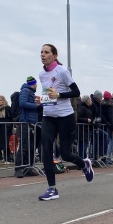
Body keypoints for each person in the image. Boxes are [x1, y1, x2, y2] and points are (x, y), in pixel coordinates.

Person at [35, 43, 94, 200]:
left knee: (66, 154)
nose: (42, 54)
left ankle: (84, 164)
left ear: (54, 56)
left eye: (46, 52)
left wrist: (59, 95)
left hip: (65, 117)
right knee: (46, 151)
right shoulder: (41, 74)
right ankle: (52, 189)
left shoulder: (62, 71)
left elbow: (76, 92)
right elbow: (48, 94)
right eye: (41, 52)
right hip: (48, 116)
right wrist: (41, 100)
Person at [16, 76, 39, 178]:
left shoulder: (30, 93)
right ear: (33, 84)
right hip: (26, 122)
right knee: (24, 146)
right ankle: (19, 168)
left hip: (32, 122)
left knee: (31, 147)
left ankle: (28, 167)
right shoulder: (25, 91)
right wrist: (36, 105)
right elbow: (22, 103)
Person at [0, 95, 14, 164]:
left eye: (0, 100)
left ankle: (7, 159)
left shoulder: (8, 108)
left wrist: (9, 126)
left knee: (6, 143)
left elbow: (11, 117)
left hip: (6, 127)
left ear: (3, 101)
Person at [101, 91, 113, 166]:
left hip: (105, 125)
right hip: (110, 126)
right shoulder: (110, 106)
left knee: (110, 142)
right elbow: (111, 118)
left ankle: (107, 158)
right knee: (112, 143)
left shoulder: (101, 105)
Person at [76, 95, 95, 159]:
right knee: (82, 146)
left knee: (84, 146)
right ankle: (82, 160)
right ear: (87, 101)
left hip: (87, 129)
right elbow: (78, 118)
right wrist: (86, 120)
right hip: (82, 130)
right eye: (90, 99)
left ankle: (83, 159)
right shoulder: (82, 108)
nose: (91, 101)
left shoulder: (88, 107)